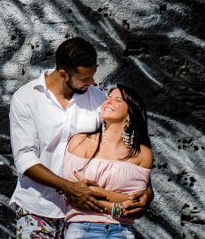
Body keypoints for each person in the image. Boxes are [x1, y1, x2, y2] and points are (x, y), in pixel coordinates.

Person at [9, 39, 151, 238]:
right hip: (38, 208)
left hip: (87, 215)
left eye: (92, 76)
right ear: (63, 74)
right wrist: (69, 187)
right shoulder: (26, 98)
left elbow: (116, 148)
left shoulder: (98, 99)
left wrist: (146, 191)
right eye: (85, 78)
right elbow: (25, 158)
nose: (91, 82)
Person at [61, 85, 153, 239]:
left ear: (129, 114)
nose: (108, 102)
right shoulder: (80, 142)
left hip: (122, 232)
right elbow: (72, 194)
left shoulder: (143, 154)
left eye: (117, 100)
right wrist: (117, 207)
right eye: (108, 98)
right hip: (82, 230)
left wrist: (97, 192)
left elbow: (134, 201)